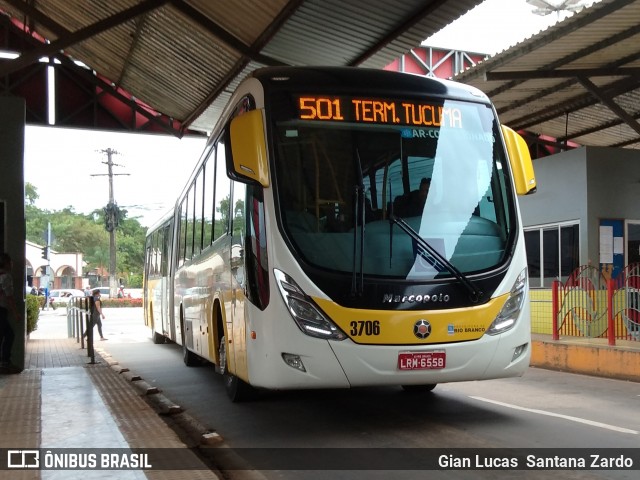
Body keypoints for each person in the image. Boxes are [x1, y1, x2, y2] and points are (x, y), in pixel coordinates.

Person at [0, 253, 22, 374]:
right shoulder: (6, 277)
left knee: (8, 334)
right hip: (1, 310)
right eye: (10, 262)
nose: (12, 264)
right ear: (6, 263)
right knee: (8, 335)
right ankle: (5, 363)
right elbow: (9, 297)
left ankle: (5, 362)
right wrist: (15, 313)